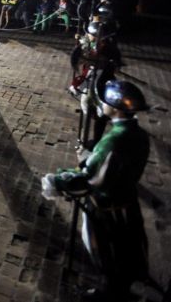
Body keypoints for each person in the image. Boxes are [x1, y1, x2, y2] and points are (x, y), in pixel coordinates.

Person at [40, 80, 150, 301]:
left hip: (108, 205)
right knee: (125, 249)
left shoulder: (114, 140)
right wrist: (89, 158)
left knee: (107, 252)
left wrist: (59, 180)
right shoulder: (139, 134)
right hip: (127, 200)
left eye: (107, 102)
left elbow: (91, 179)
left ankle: (111, 293)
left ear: (117, 108)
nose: (103, 105)